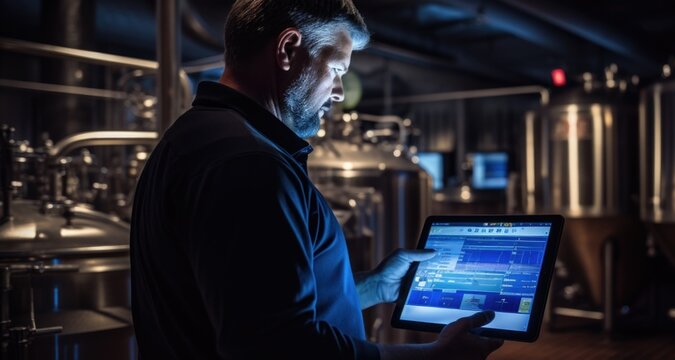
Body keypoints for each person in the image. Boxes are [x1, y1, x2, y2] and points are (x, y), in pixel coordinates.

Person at [129, 0, 504, 359]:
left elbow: (259, 308)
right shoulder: (247, 163)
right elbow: (277, 346)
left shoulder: (195, 137)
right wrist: (434, 356)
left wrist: (374, 286)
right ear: (288, 49)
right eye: (337, 69)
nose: (339, 92)